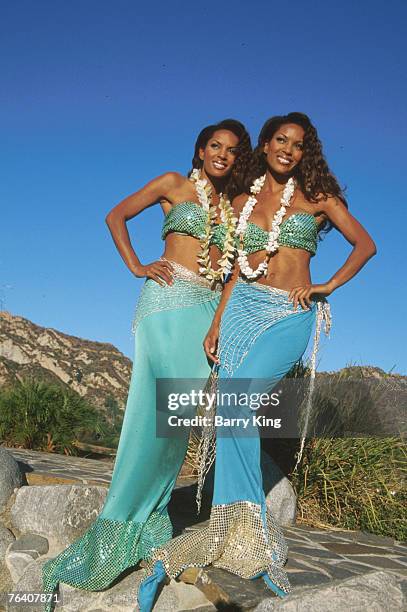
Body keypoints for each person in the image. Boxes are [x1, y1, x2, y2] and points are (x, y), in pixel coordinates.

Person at [137, 112, 377, 610]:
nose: (288, 149)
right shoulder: (243, 200)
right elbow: (233, 277)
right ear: (266, 144)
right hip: (242, 310)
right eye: (281, 140)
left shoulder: (317, 198)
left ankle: (250, 532)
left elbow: (365, 245)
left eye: (299, 144)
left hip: (288, 314)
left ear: (304, 152)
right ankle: (232, 523)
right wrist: (217, 323)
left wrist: (326, 285)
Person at [42, 119, 252, 610]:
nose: (222, 155)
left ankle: (150, 519)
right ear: (200, 151)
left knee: (174, 418)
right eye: (215, 146)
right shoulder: (172, 184)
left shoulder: (235, 208)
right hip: (165, 301)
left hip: (205, 314)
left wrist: (220, 322)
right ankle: (120, 523)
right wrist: (136, 265)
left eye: (232, 150)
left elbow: (234, 273)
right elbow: (115, 216)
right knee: (149, 413)